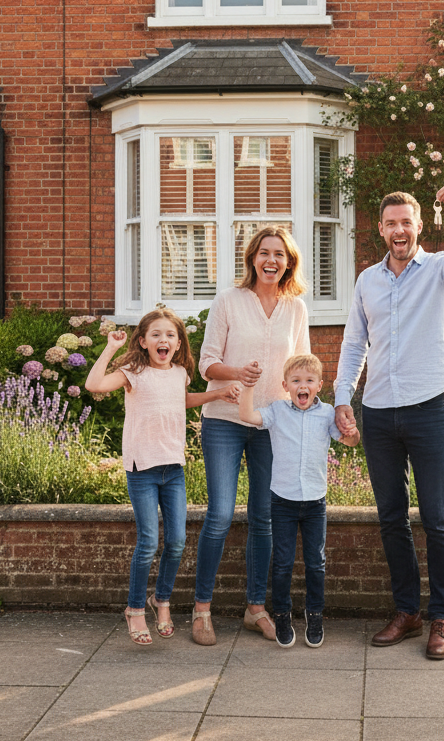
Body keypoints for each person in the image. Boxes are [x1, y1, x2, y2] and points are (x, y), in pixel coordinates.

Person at [334, 182, 444, 660]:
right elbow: (354, 344)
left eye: (407, 222)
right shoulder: (367, 281)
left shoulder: (442, 270)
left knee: (438, 518)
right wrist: (343, 398)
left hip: (427, 409)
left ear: (419, 227)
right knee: (391, 518)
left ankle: (441, 617)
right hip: (378, 410)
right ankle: (407, 611)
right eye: (391, 223)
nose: (399, 230)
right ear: (381, 230)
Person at [85, 308, 238, 646]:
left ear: (179, 341)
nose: (163, 340)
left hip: (173, 470)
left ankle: (162, 601)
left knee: (178, 542)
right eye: (156, 334)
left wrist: (217, 394)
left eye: (170, 335)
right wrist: (110, 348)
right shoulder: (132, 373)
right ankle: (136, 608)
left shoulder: (180, 373)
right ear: (142, 341)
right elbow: (94, 384)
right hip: (142, 470)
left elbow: (180, 401)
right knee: (148, 542)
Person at [191, 225, 311, 646]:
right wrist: (237, 372)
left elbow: (302, 368)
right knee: (221, 514)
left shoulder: (296, 309)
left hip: (270, 423)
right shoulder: (228, 301)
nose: (271, 261)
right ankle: (202, 609)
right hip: (223, 418)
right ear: (252, 259)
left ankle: (255, 608)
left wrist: (308, 407)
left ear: (288, 262)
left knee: (264, 519)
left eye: (279, 254)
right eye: (264, 253)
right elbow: (206, 364)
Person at [238, 353, 361, 648]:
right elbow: (247, 416)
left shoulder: (327, 413)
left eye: (308, 381)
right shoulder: (277, 411)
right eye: (296, 381)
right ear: (286, 385)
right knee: (282, 563)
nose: (302, 386)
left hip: (315, 502)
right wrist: (249, 386)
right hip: (283, 501)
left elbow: (349, 441)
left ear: (319, 385)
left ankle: (314, 614)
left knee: (316, 562)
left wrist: (353, 433)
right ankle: (282, 614)